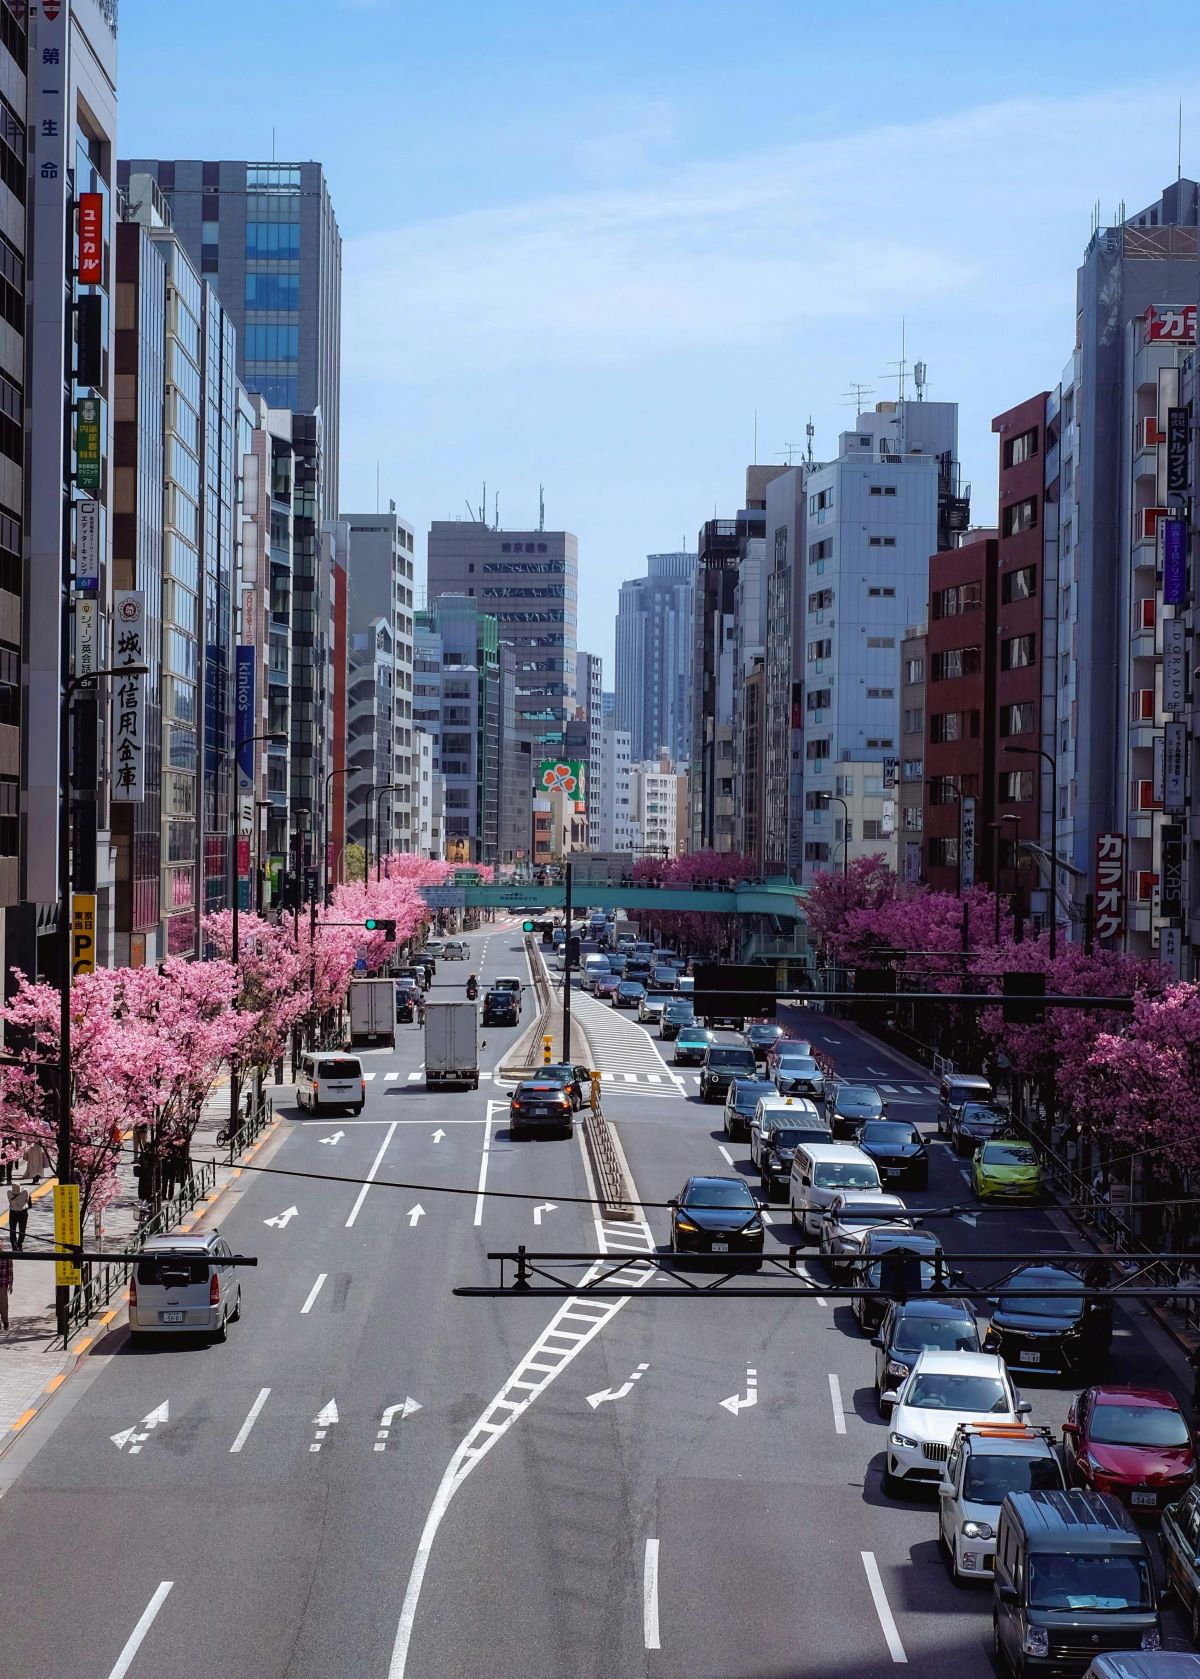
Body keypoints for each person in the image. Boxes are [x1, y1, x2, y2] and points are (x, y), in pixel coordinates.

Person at [7, 1180, 30, 1251]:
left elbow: (9, 1201)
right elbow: (27, 1200)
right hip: (23, 1212)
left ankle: (14, 1246)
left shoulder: (9, 1192)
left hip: (13, 1212)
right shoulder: (25, 1191)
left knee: (12, 1230)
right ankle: (19, 1245)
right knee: (22, 1230)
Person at [0, 1235, 11, 1332]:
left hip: (3, 1285)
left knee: (3, 1304)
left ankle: (5, 1322)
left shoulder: (6, 1255)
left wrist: (10, 1284)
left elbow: (10, 1271)